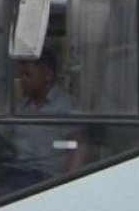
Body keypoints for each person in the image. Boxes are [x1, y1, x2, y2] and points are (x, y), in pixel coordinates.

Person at [9, 47, 85, 178]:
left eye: (28, 75)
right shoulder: (20, 107)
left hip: (46, 179)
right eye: (21, 75)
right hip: (15, 170)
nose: (22, 80)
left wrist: (66, 184)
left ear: (47, 75)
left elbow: (78, 148)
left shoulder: (66, 105)